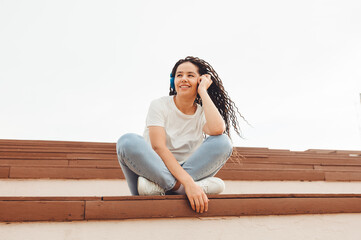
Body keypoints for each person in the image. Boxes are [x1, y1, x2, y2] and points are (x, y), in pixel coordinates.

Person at [116, 56, 245, 213]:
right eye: (179, 75)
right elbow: (158, 147)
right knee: (127, 141)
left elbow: (218, 129)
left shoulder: (202, 113)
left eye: (190, 75)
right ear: (173, 81)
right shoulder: (159, 105)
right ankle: (179, 189)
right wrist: (188, 184)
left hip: (181, 173)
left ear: (200, 80)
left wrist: (203, 91)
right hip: (153, 171)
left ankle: (163, 188)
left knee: (223, 142)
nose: (184, 79)